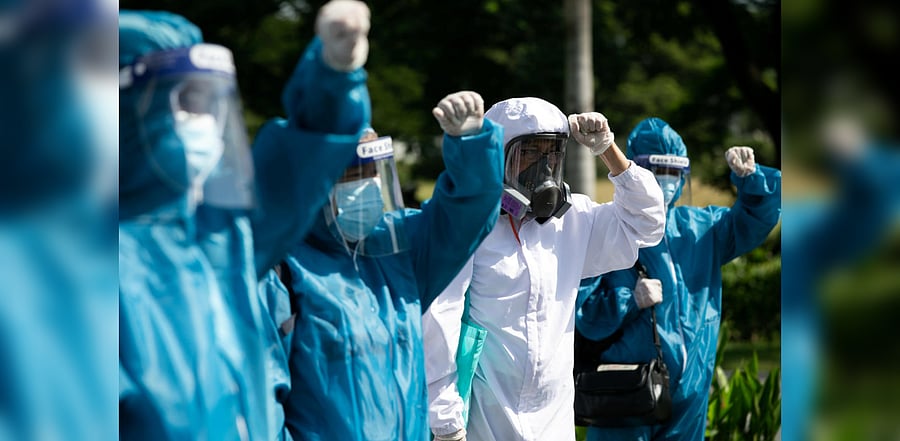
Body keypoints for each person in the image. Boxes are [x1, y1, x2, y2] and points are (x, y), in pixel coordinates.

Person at [118, 2, 372, 439]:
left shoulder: (209, 237)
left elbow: (293, 173)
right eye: (181, 105)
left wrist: (333, 78)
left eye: (204, 105)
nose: (202, 126)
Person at [423, 97, 667, 441]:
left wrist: (609, 151)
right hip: (485, 417)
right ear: (498, 157)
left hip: (554, 419)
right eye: (530, 153)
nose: (543, 166)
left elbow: (645, 224)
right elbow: (439, 319)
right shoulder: (473, 228)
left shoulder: (573, 223)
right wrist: (445, 419)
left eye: (552, 154)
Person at [276, 90, 504, 441]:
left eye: (371, 171)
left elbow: (465, 218)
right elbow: (262, 399)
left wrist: (471, 145)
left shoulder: (394, 248)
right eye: (350, 174)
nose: (366, 185)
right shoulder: (281, 269)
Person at [574, 117, 782, 441]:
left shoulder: (704, 227)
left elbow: (754, 220)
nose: (666, 181)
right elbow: (584, 314)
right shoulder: (610, 227)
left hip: (691, 394)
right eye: (658, 170)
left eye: (675, 172)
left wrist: (751, 180)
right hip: (627, 393)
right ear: (636, 169)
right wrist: (630, 298)